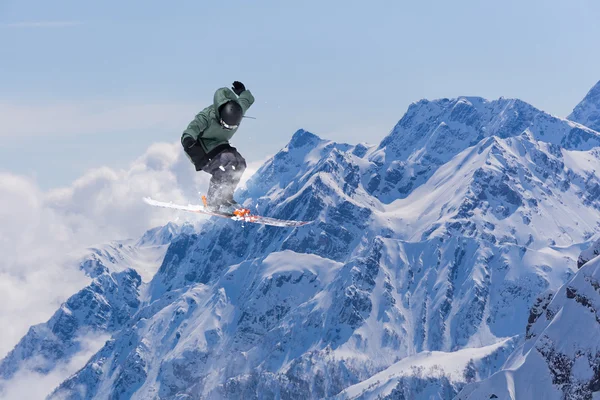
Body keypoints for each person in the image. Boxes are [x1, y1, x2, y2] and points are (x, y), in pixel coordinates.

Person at [181, 81, 254, 212]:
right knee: (226, 166)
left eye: (231, 127)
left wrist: (243, 92)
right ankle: (212, 201)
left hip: (220, 144)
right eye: (225, 125)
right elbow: (192, 129)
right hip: (200, 148)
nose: (228, 128)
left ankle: (226, 196)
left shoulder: (238, 110)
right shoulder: (207, 117)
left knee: (240, 163)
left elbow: (246, 100)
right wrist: (188, 139)